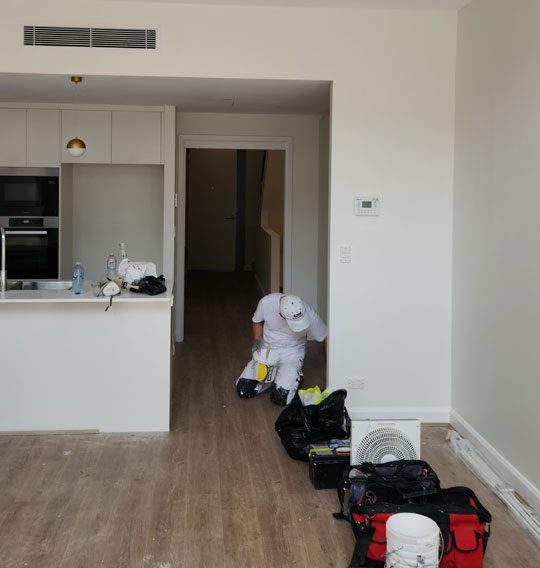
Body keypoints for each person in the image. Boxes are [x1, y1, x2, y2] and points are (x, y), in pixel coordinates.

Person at [236, 293, 327, 406]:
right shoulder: (266, 303)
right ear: (282, 315)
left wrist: (334, 365)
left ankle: (296, 376)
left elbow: (325, 336)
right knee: (244, 389)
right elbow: (257, 321)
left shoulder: (308, 312)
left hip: (291, 354)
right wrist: (257, 345)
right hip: (267, 352)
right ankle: (273, 378)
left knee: (281, 398)